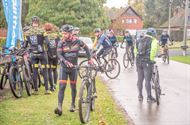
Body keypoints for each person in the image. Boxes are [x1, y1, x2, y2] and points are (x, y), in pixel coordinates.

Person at [54, 24, 93, 115]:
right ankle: (59, 107)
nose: (63, 35)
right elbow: (59, 55)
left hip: (74, 68)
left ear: (71, 33)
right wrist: (66, 62)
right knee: (62, 87)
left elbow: (87, 49)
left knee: (73, 87)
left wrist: (89, 59)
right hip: (64, 68)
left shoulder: (78, 41)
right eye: (62, 33)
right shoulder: (61, 42)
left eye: (65, 33)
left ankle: (73, 104)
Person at [24, 16, 51, 95]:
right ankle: (47, 90)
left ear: (31, 22)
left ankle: (35, 90)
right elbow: (48, 42)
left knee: (35, 71)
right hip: (42, 53)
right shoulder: (42, 30)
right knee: (45, 70)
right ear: (38, 22)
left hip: (33, 54)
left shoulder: (27, 32)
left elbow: (25, 45)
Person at [134, 28, 158, 103]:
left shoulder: (138, 40)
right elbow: (153, 50)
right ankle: (149, 97)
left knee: (140, 79)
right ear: (153, 34)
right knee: (148, 80)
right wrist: (151, 59)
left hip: (138, 62)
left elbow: (135, 51)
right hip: (147, 62)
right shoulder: (153, 40)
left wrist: (137, 59)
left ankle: (140, 96)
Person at [44, 23, 59, 91]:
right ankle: (55, 84)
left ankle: (52, 86)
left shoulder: (44, 36)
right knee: (54, 69)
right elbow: (59, 44)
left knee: (49, 70)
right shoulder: (56, 35)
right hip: (55, 54)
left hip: (48, 55)